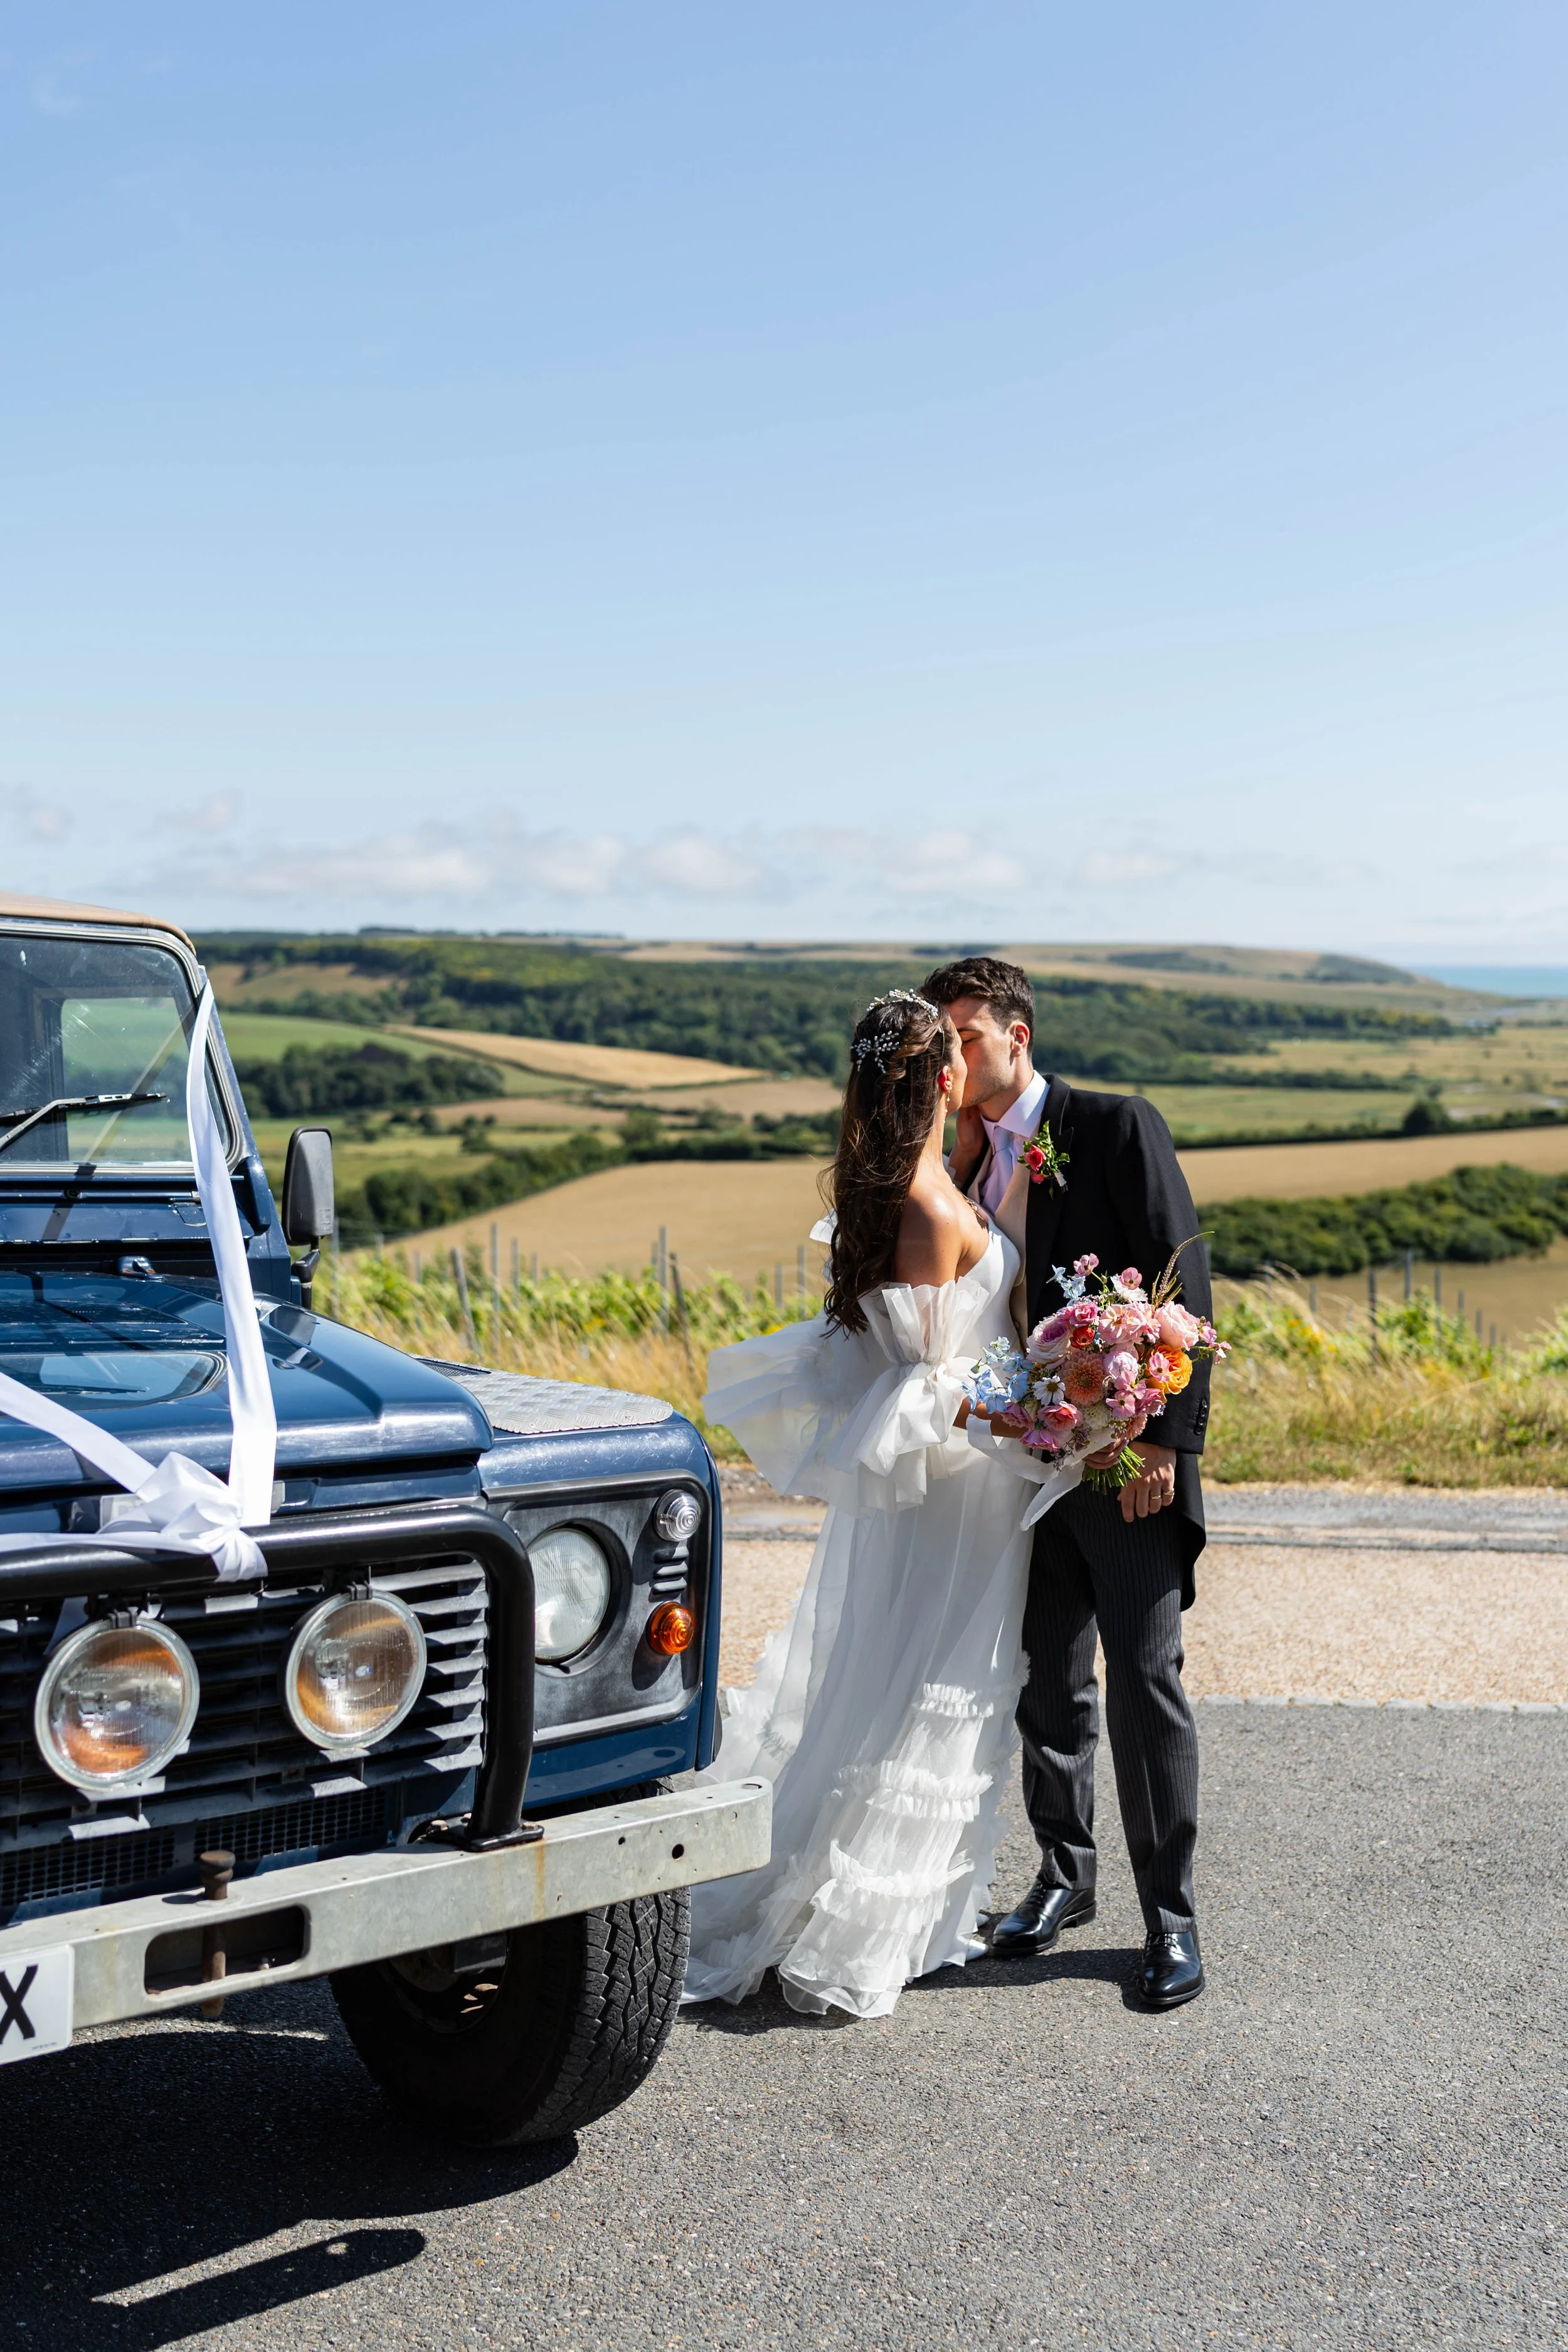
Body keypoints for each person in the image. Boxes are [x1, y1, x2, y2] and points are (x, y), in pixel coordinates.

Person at [683, 988, 1049, 2019]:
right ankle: (865, 1925)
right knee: (932, 1678)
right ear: (940, 1080)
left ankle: (904, 1910)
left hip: (953, 1486)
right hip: (959, 1493)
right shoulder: (930, 1207)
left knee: (899, 1671)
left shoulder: (895, 1187)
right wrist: (1044, 1402)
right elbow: (931, 1389)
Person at [922, 956, 1212, 2009]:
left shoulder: (1114, 1124)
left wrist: (1166, 1445)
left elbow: (1182, 1277)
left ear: (1017, 1033)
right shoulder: (960, 1160)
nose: (950, 1057)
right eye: (938, 1040)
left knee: (1144, 1686)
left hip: (1124, 1462)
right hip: (1016, 1470)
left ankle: (1170, 1917)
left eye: (965, 1034)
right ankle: (1064, 1875)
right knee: (1045, 1684)